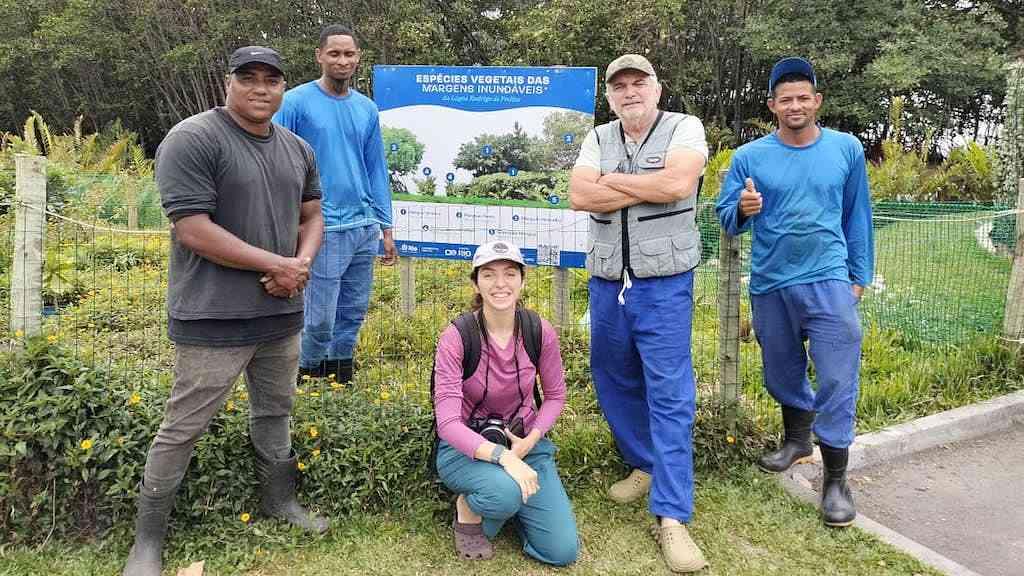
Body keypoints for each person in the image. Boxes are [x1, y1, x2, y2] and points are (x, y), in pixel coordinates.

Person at [122, 46, 327, 576]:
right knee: (182, 426)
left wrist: (299, 264)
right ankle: (148, 542)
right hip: (213, 317)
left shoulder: (297, 148)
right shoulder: (193, 138)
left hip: (280, 315)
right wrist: (279, 264)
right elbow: (192, 228)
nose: (261, 89)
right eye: (249, 79)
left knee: (275, 411)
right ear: (228, 84)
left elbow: (313, 215)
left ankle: (279, 502)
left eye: (272, 80)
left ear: (284, 88)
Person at [715, 57, 874, 527]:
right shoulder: (749, 158)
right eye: (786, 99)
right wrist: (743, 208)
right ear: (772, 106)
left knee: (837, 378)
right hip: (771, 282)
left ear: (817, 101)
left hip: (829, 279)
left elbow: (857, 215)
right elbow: (725, 218)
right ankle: (797, 441)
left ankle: (835, 480)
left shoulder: (846, 150)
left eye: (803, 96)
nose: (795, 104)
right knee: (781, 369)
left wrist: (859, 275)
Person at [568, 54, 709, 572]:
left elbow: (677, 186)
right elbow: (579, 196)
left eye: (639, 82)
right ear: (609, 96)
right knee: (612, 376)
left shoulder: (684, 128)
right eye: (619, 86)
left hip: (664, 283)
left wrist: (614, 184)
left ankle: (672, 516)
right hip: (608, 281)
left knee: (669, 393)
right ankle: (645, 464)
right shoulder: (597, 137)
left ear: (657, 88)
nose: (630, 92)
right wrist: (636, 185)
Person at [432, 240, 579, 566]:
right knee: (505, 494)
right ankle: (469, 507)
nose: (500, 284)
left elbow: (555, 396)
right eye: (489, 275)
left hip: (524, 444)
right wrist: (504, 458)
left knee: (563, 551)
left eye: (510, 273)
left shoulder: (539, 331)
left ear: (523, 281)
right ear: (476, 282)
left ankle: (511, 505)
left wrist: (530, 440)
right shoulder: (457, 337)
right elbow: (447, 423)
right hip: (466, 448)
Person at [273, 24, 396, 384]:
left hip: (363, 227)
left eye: (349, 54)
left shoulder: (366, 108)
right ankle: (306, 377)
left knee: (353, 312)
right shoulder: (295, 102)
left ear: (358, 58)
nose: (342, 60)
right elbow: (276, 161)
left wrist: (385, 225)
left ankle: (340, 376)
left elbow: (376, 168)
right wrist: (287, 222)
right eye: (334, 53)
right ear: (320, 56)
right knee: (319, 317)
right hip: (320, 227)